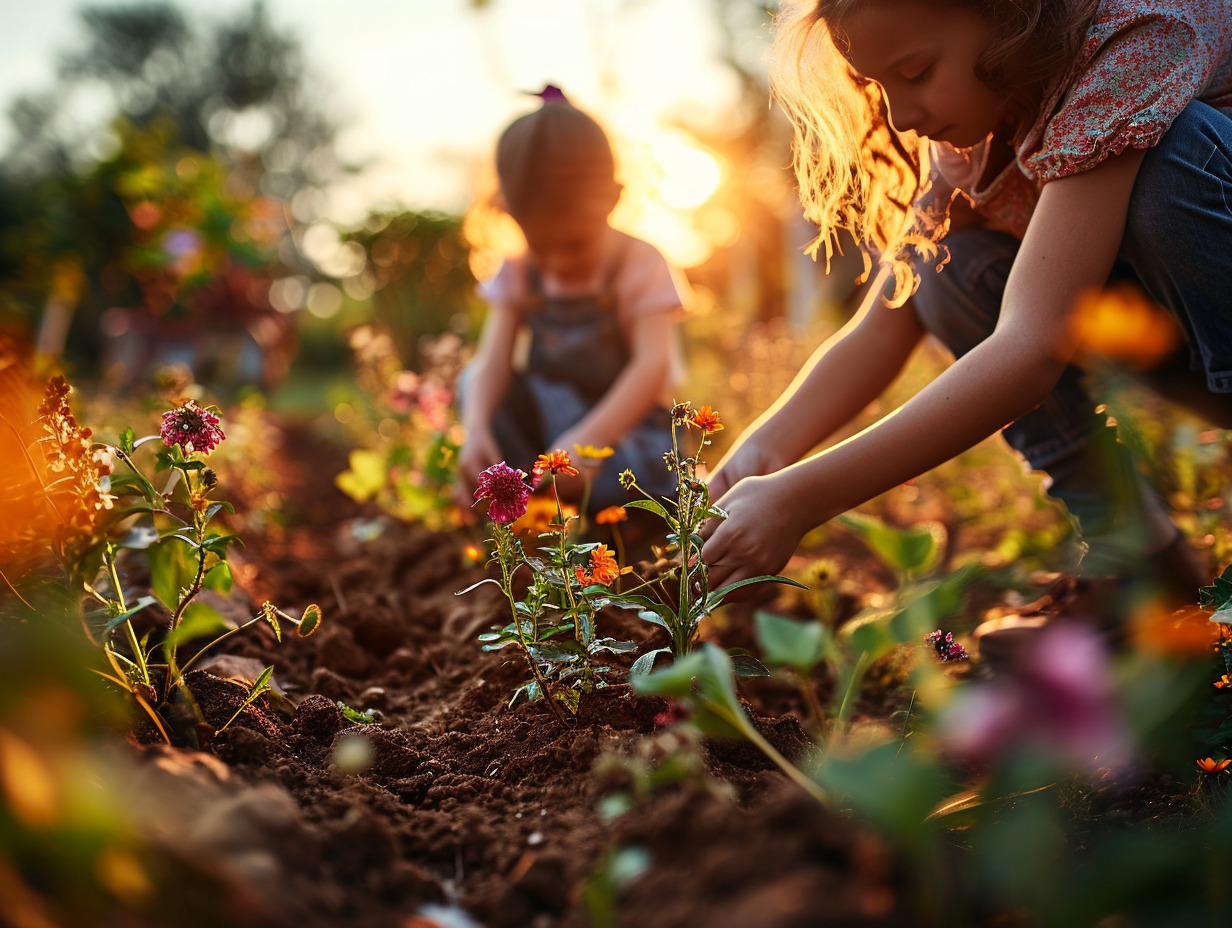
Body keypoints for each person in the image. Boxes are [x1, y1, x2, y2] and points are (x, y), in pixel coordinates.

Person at [701, 0, 1230, 625]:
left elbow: (1030, 348)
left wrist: (797, 499)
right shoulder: (978, 129)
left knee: (1168, 173)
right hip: (1186, 349)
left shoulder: (1137, 38)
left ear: (1010, 17)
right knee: (942, 266)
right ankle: (1137, 560)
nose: (901, 116)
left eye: (917, 72)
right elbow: (881, 324)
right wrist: (763, 450)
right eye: (879, 86)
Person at [455, 87, 687, 518]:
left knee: (646, 487)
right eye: (543, 246)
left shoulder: (639, 262)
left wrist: (586, 443)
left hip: (626, 445)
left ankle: (621, 521)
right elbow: (492, 361)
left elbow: (653, 366)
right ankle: (532, 511)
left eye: (577, 245)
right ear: (509, 214)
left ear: (612, 201)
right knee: (474, 385)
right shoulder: (519, 269)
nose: (559, 263)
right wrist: (476, 428)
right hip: (552, 447)